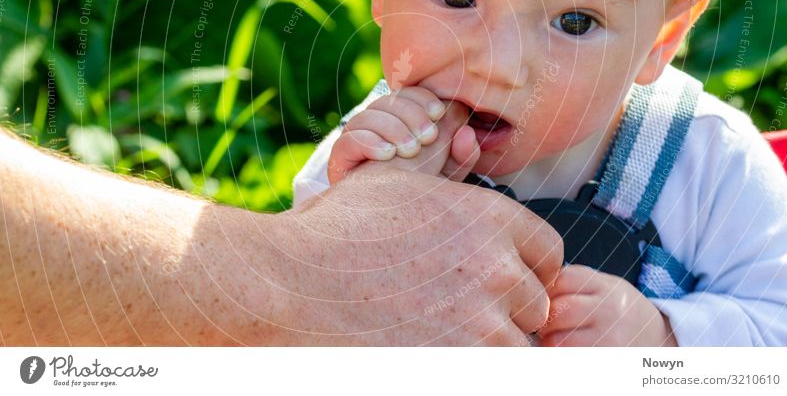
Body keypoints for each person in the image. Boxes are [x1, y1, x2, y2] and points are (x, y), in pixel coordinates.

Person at [293, 0, 787, 346]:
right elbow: (294, 321)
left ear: (662, 38)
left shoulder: (711, 168)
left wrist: (665, 342)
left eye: (575, 21)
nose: (500, 65)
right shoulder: (373, 159)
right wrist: (372, 220)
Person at [0, 128, 562, 346]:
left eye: (577, 23)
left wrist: (650, 330)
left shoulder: (651, 163)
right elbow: (321, 212)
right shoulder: (394, 130)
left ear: (655, 45)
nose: (505, 61)